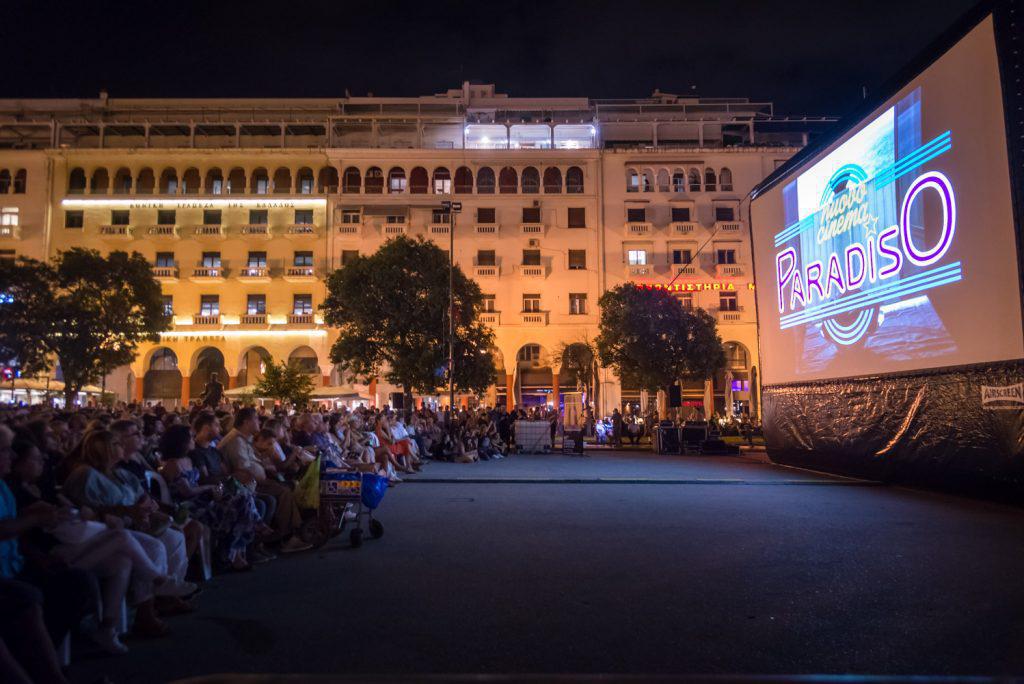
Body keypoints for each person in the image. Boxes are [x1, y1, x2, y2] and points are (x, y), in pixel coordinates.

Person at [219, 408, 311, 554]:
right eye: (256, 419)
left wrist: (263, 461)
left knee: (285, 489)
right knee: (284, 492)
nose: (259, 422)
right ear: (246, 422)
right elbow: (243, 470)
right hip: (248, 485)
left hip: (257, 481)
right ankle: (286, 538)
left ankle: (288, 533)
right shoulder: (236, 441)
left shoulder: (243, 439)